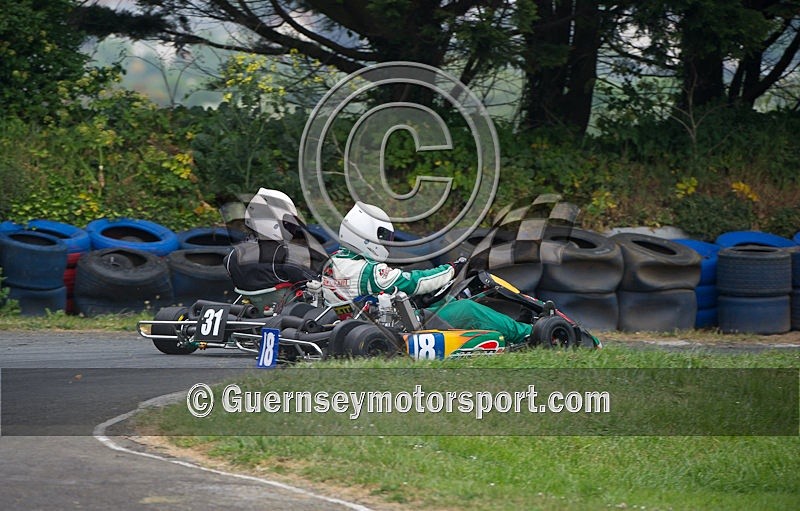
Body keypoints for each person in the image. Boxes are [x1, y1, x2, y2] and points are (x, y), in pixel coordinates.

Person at [322, 202, 534, 345]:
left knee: (443, 302)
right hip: (395, 329)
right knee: (466, 308)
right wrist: (451, 269)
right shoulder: (370, 271)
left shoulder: (332, 264)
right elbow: (416, 282)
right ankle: (529, 333)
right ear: (368, 236)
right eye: (383, 236)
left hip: (355, 325)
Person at [225, 188, 328, 298]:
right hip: (289, 311)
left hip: (251, 312)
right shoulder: (285, 256)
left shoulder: (231, 257)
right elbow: (315, 282)